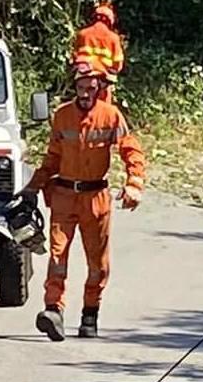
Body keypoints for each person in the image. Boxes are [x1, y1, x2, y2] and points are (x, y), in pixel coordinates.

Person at [23, 57, 145, 341]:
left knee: (98, 264)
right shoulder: (62, 116)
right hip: (64, 196)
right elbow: (52, 158)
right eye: (81, 87)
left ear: (100, 87)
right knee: (57, 257)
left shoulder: (111, 116)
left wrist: (134, 183)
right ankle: (53, 310)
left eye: (91, 87)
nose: (86, 93)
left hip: (96, 199)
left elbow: (131, 150)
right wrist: (32, 187)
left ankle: (90, 315)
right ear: (75, 87)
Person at [72, 1, 125, 86]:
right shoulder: (114, 38)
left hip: (83, 75)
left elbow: (74, 56)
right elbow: (118, 64)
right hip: (103, 77)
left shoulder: (82, 34)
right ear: (110, 21)